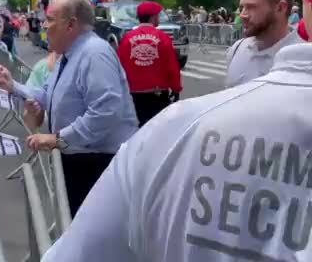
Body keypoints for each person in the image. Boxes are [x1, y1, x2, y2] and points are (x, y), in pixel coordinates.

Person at [42, 40, 312, 261]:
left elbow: (82, 249)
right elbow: (170, 66)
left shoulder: (173, 127)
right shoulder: (169, 56)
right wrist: (175, 89)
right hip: (158, 98)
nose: (243, 12)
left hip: (136, 117)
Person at [0, 0, 138, 216]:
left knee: (93, 235)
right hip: (81, 160)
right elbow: (47, 94)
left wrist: (58, 139)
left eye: (50, 19)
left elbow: (105, 112)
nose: (43, 25)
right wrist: (13, 87)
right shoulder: (68, 56)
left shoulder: (94, 53)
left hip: (98, 164)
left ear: (71, 24)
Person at [226, 0, 304, 88]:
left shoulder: (305, 57)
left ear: (280, 8)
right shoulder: (236, 49)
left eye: (251, 7)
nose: (242, 15)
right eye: (242, 7)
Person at [117, 1, 182, 126]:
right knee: (157, 129)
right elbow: (172, 66)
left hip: (134, 94)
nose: (159, 19)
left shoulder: (127, 38)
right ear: (152, 17)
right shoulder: (163, 37)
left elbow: (119, 66)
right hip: (157, 94)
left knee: (137, 129)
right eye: (157, 16)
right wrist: (176, 88)